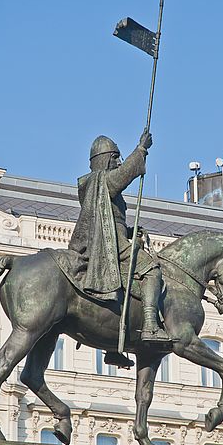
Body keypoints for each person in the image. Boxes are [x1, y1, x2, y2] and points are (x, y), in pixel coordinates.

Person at [68, 129, 171, 366]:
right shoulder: (101, 180)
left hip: (115, 235)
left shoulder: (94, 184)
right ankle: (150, 326)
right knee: (152, 269)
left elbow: (110, 217)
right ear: (104, 159)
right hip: (110, 243)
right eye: (115, 157)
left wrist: (131, 231)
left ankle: (116, 344)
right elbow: (124, 175)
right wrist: (142, 149)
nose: (119, 162)